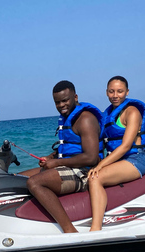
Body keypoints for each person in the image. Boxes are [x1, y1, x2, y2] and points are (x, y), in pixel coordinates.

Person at [20, 80, 103, 233]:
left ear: (75, 97)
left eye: (65, 100)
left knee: (34, 183)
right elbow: (69, 147)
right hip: (69, 166)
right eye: (57, 102)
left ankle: (69, 230)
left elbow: (91, 158)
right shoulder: (67, 118)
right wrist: (51, 157)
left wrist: (56, 163)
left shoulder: (85, 119)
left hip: (85, 172)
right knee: (16, 178)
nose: (61, 105)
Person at [87, 76, 145, 231]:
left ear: (127, 92)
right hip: (116, 160)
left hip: (135, 160)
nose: (115, 95)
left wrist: (100, 166)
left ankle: (95, 229)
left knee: (95, 178)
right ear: (106, 92)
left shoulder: (132, 112)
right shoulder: (107, 114)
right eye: (111, 91)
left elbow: (126, 146)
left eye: (120, 91)